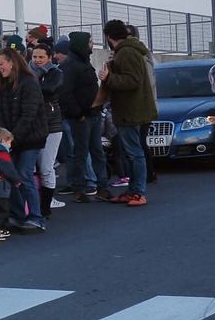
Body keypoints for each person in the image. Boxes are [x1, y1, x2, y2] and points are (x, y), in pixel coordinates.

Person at [0, 48, 47, 231]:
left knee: (24, 175)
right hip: (11, 139)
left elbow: (29, 115)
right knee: (10, 175)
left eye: (1, 63)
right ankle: (17, 215)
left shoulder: (29, 83)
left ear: (12, 62)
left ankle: (36, 217)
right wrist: (4, 138)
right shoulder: (1, 85)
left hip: (31, 138)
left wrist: (10, 139)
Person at [101, 19, 157, 206]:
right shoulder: (128, 51)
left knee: (134, 153)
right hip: (131, 108)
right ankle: (133, 190)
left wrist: (109, 77)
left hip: (130, 109)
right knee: (133, 152)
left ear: (109, 37)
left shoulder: (126, 53)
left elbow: (132, 81)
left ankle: (137, 192)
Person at [58, 32, 105, 202]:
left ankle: (102, 186)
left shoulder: (84, 62)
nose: (92, 45)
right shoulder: (70, 65)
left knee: (96, 152)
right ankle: (79, 189)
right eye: (90, 42)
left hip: (93, 114)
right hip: (82, 117)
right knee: (81, 153)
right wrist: (78, 114)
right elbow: (65, 93)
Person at [28, 45, 66, 216]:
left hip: (52, 124)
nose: (37, 60)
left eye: (41, 57)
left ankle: (46, 206)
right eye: (35, 56)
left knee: (46, 166)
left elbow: (50, 90)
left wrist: (30, 87)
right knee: (31, 167)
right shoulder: (27, 72)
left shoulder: (55, 73)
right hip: (33, 124)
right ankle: (35, 205)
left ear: (49, 57)